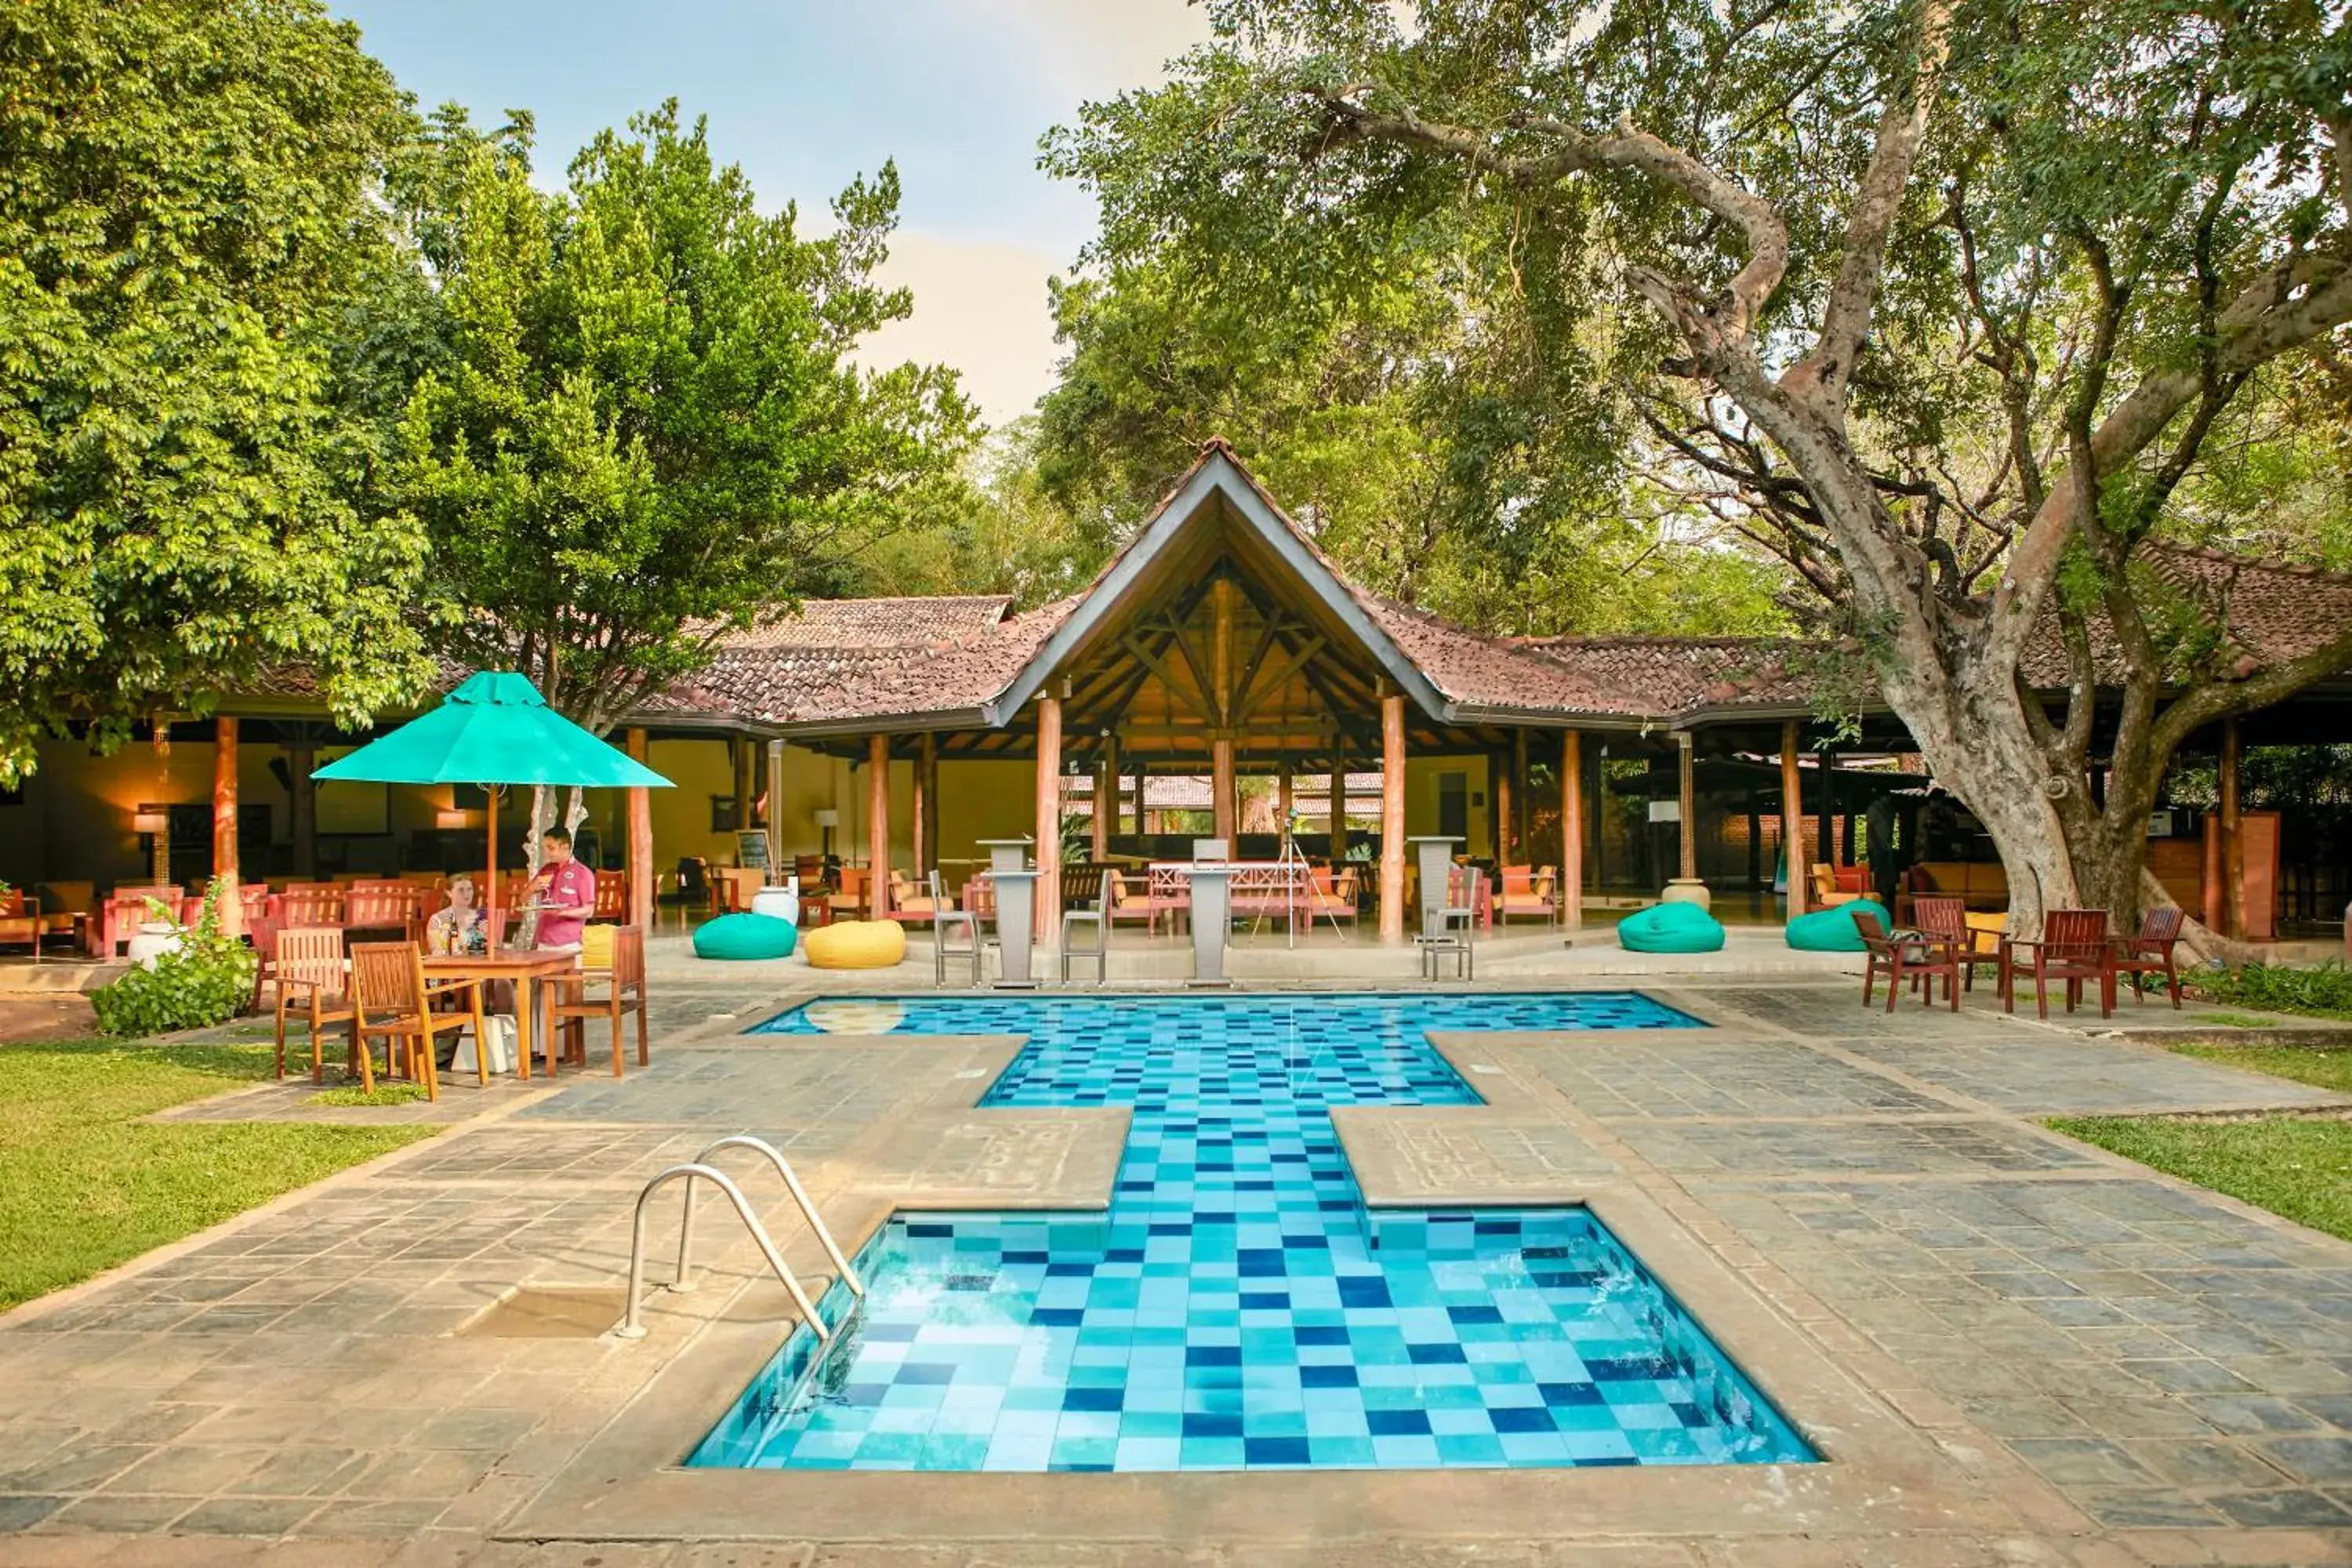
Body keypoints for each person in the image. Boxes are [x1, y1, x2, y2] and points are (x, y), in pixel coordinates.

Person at [528, 826, 597, 953]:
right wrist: (530, 890)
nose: (547, 853)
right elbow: (522, 899)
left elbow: (589, 911)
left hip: (569, 944)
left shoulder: (583, 873)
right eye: (545, 848)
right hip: (543, 942)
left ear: (565, 847)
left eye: (551, 848)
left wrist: (561, 912)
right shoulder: (546, 870)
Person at [426, 876, 490, 956]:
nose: (466, 894)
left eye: (469, 889)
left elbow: (495, 948)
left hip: (477, 963)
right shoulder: (437, 920)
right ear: (449, 893)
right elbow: (436, 951)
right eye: (461, 890)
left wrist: (487, 937)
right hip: (448, 963)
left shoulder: (479, 918)